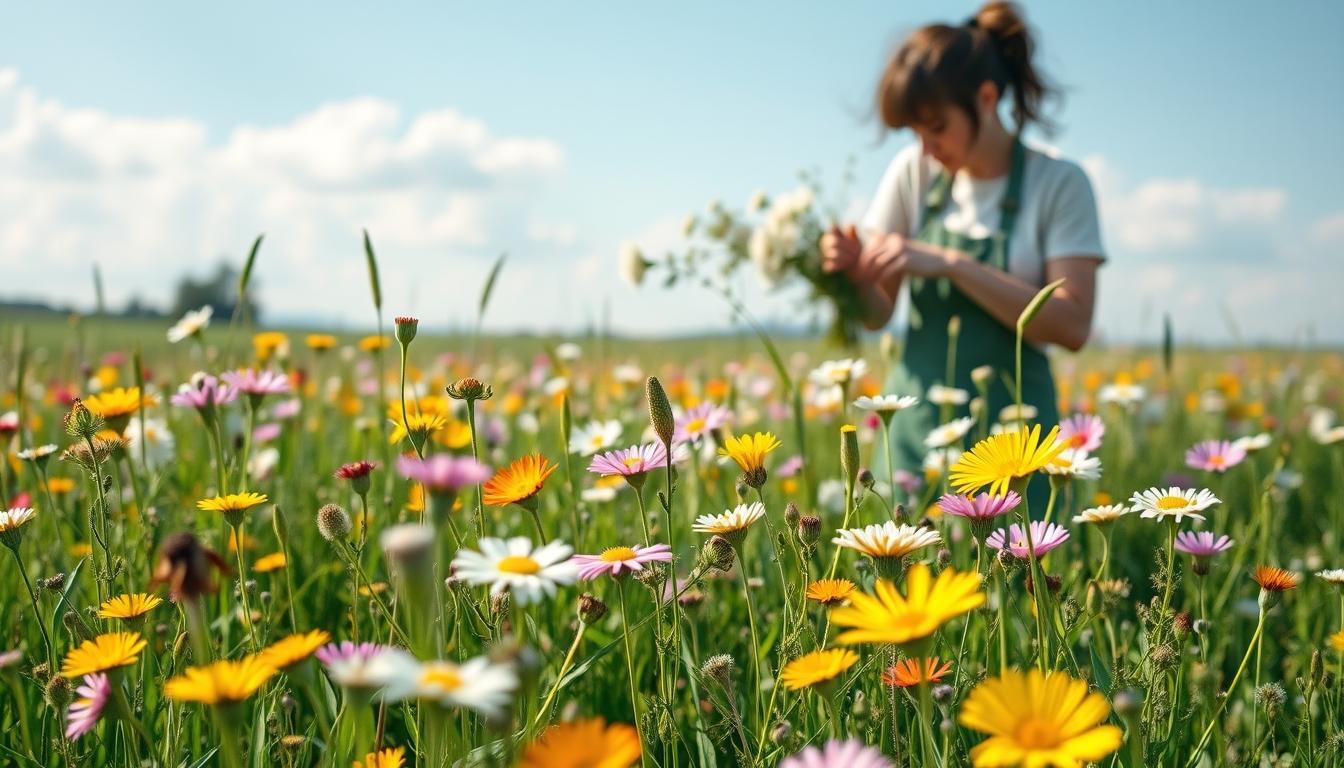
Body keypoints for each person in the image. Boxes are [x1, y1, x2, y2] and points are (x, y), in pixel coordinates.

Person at [822, 1, 1105, 491]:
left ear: (987, 98)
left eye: (937, 129)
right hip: (915, 441)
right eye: (915, 133)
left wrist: (952, 264)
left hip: (1019, 450)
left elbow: (1074, 325)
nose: (926, 148)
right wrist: (854, 278)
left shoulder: (1059, 183)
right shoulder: (912, 173)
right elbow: (877, 315)